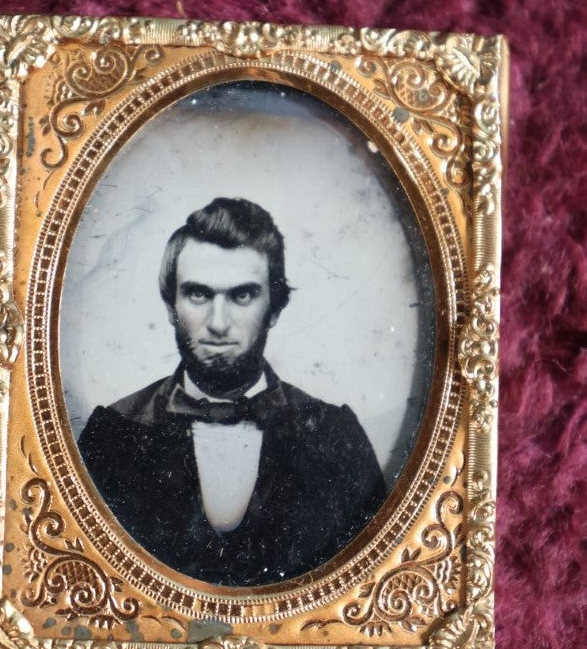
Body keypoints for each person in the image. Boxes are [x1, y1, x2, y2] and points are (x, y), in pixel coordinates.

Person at [78, 198, 386, 586]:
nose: (218, 324)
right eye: (198, 295)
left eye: (242, 296)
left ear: (274, 307)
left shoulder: (335, 434)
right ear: (171, 304)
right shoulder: (112, 433)